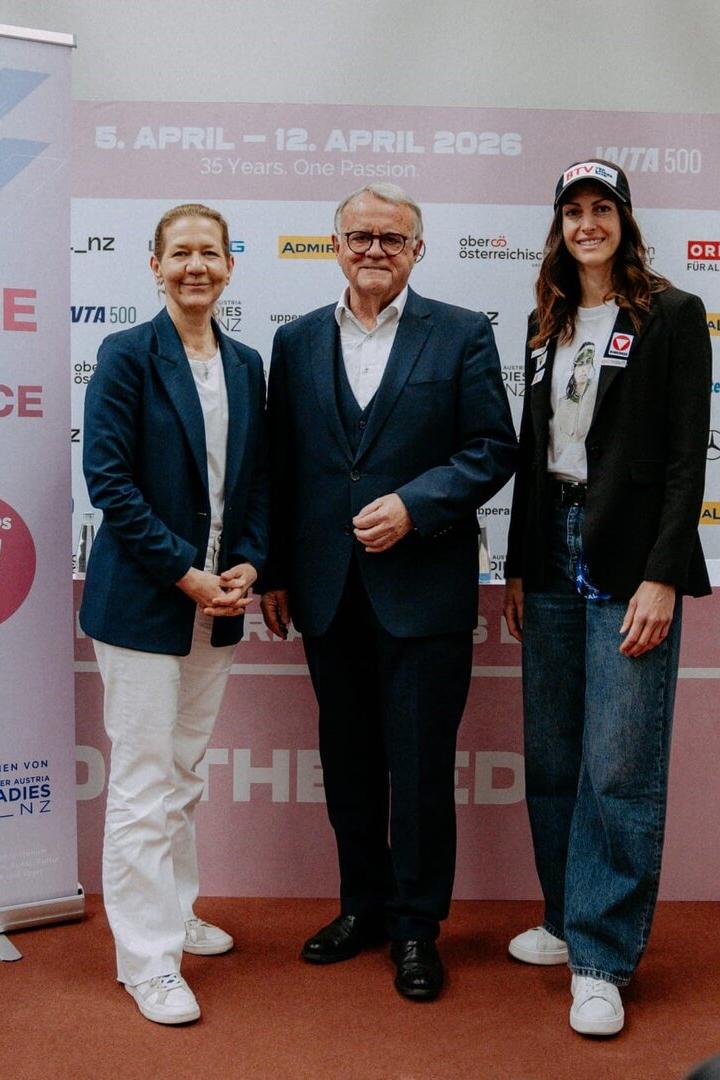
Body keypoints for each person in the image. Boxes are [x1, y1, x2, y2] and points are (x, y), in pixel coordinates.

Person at [260, 182, 517, 1000]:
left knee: (419, 768)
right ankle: (362, 907)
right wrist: (272, 570)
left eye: (393, 239)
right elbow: (280, 466)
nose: (375, 250)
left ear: (417, 250)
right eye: (361, 236)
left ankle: (415, 927)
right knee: (349, 763)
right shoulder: (295, 342)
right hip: (328, 592)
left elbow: (491, 449)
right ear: (336, 244)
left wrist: (416, 504)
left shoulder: (464, 334)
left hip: (425, 593)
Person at [503, 160, 711, 1036]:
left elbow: (683, 458)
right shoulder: (545, 319)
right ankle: (563, 915)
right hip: (549, 548)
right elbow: (532, 446)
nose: (588, 224)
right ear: (560, 225)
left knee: (619, 765)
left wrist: (663, 571)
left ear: (624, 220)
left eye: (602, 210)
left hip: (628, 556)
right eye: (574, 212)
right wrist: (515, 565)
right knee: (553, 756)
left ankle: (601, 957)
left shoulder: (671, 314)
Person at [80, 203, 268, 1025]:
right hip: (147, 603)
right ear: (154, 266)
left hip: (216, 602)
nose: (197, 265)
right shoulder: (125, 355)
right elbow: (109, 483)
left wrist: (247, 565)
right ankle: (146, 959)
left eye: (211, 252)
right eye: (180, 253)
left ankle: (175, 911)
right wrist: (187, 575)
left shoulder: (248, 362)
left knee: (184, 773)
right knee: (143, 782)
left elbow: (258, 483)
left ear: (230, 265)